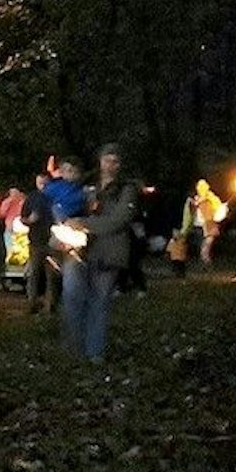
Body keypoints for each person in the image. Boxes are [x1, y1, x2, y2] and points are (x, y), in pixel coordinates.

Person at [60, 144, 141, 364]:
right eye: (107, 159)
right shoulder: (88, 184)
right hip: (81, 250)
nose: (110, 165)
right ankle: (75, 348)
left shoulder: (127, 189)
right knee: (73, 298)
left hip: (110, 253)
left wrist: (84, 224)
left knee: (100, 301)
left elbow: (119, 219)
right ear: (100, 160)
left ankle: (94, 351)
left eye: (115, 161)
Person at [21, 174, 56, 313]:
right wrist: (29, 220)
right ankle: (32, 302)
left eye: (44, 182)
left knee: (51, 275)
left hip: (53, 241)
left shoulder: (53, 196)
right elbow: (23, 217)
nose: (42, 185)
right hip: (36, 240)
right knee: (34, 272)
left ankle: (50, 304)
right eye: (40, 182)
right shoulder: (32, 197)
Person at [184, 179, 226, 265]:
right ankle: (204, 258)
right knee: (207, 241)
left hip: (209, 221)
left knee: (209, 240)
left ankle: (205, 257)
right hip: (204, 222)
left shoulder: (210, 197)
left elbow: (218, 207)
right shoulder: (198, 199)